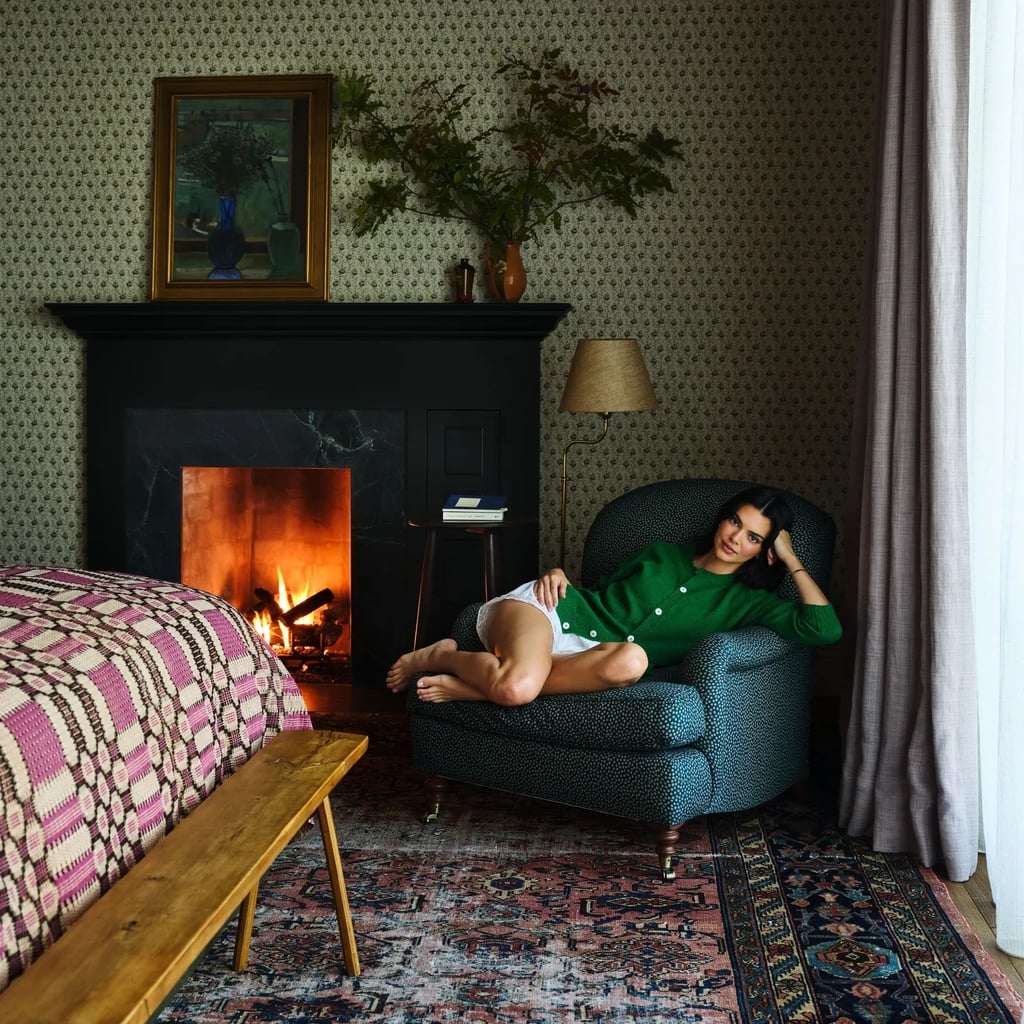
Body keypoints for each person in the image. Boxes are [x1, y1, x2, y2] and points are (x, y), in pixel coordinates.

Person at [385, 486, 842, 705]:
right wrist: (558, 572)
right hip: (549, 614)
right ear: (723, 520)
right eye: (735, 523)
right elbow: (594, 592)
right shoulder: (662, 554)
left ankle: (464, 670)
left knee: (633, 660)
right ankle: (436, 658)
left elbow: (825, 629)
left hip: (597, 657)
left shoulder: (748, 604)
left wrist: (789, 555)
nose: (736, 538)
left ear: (763, 552)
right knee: (514, 686)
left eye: (755, 539)